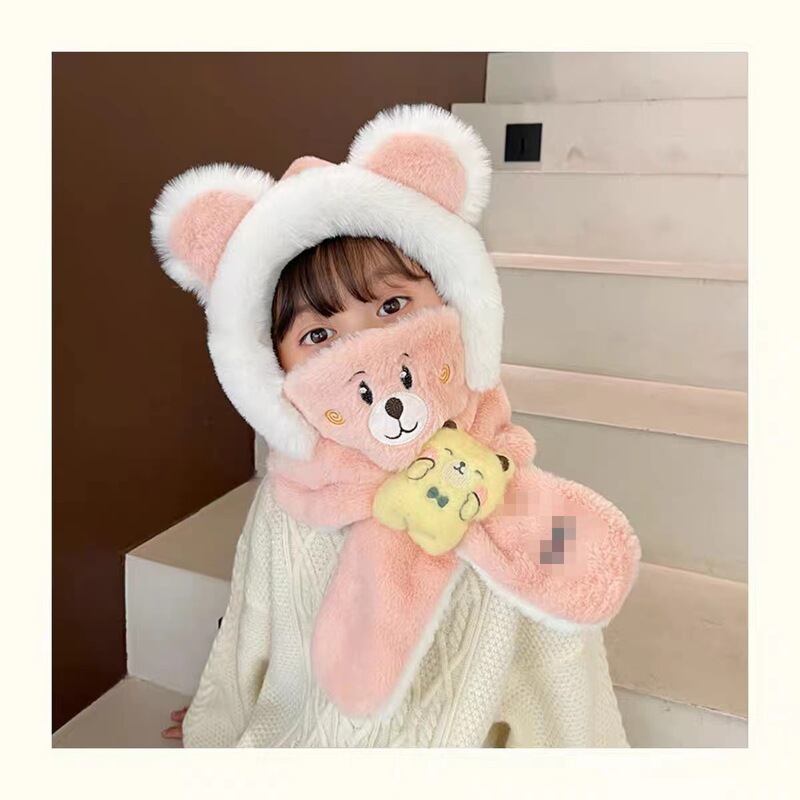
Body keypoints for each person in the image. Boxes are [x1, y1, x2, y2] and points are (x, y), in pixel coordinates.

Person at [152, 104, 638, 747]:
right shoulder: (291, 502)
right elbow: (253, 621)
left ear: (453, 302)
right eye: (319, 335)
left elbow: (563, 659)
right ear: (271, 370)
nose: (368, 350)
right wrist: (219, 718)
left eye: (391, 305)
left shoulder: (506, 494)